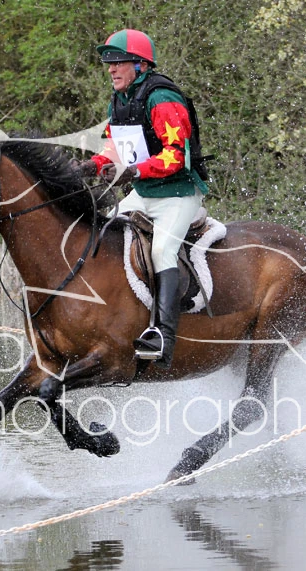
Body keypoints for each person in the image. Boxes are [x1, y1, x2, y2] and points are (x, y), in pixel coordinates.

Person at [77, 29, 209, 369]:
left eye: (118, 62)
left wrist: (133, 171)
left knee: (162, 250)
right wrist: (91, 166)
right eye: (108, 63)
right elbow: (114, 150)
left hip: (178, 194)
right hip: (145, 193)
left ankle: (163, 336)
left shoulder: (162, 98)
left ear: (140, 65)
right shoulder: (119, 101)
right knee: (102, 234)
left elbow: (175, 156)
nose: (111, 69)